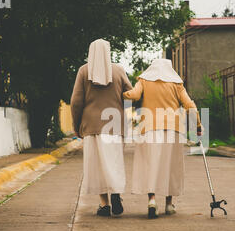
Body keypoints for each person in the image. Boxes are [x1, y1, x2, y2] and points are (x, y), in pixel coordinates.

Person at [123, 59, 202, 219]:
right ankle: (168, 204)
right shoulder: (176, 84)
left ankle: (152, 201)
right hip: (173, 130)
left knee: (150, 164)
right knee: (170, 166)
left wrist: (122, 92)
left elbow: (134, 95)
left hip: (150, 128)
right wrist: (198, 125)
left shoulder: (144, 80)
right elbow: (190, 106)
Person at [70, 39, 132, 217]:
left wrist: (76, 126)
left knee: (96, 165)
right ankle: (116, 195)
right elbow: (130, 94)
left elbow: (75, 102)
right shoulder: (118, 70)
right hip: (115, 125)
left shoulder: (84, 70)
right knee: (114, 162)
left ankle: (104, 205)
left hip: (91, 126)